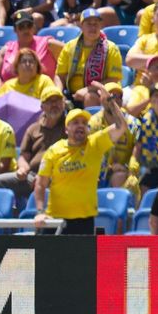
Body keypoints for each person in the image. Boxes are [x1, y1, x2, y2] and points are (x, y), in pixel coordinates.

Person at [35, 86, 129, 234]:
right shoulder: (53, 150)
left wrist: (110, 101)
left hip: (84, 221)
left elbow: (122, 126)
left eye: (84, 123)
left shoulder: (95, 144)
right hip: (56, 220)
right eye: (75, 122)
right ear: (66, 130)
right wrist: (40, 211)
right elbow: (40, 184)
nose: (81, 126)